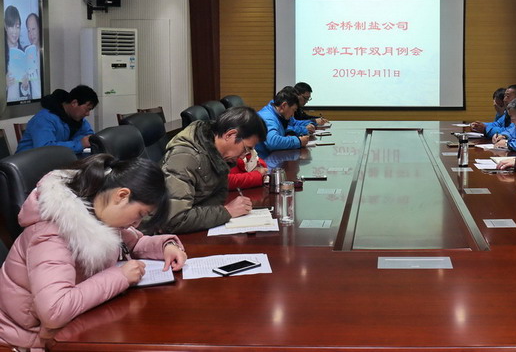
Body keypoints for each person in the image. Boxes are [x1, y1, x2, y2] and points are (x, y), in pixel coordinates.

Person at [0, 154, 187, 350]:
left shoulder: (98, 211)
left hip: (72, 324)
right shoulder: (53, 233)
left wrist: (166, 246)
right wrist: (120, 277)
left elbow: (133, 244)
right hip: (26, 339)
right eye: (139, 214)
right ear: (121, 196)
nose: (137, 224)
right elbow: (54, 310)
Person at [155, 106, 265, 234]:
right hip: (156, 236)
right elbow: (174, 220)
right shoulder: (185, 158)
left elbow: (216, 198)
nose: (244, 155)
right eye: (246, 148)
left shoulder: (219, 156)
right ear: (230, 135)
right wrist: (227, 211)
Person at [16, 85, 98, 155]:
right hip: (28, 164)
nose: (87, 114)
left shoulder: (78, 119)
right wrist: (78, 144)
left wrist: (81, 142)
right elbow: (44, 149)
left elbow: (88, 136)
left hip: (55, 161)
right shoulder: (44, 118)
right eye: (87, 109)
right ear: (74, 103)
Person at [257, 87, 309, 157]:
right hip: (262, 159)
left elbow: (286, 129)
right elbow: (272, 142)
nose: (292, 114)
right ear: (284, 106)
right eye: (293, 110)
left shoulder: (278, 114)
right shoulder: (268, 117)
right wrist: (298, 141)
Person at [5, 5, 24, 102]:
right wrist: (3, 84)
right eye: (11, 26)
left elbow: (25, 92)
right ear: (5, 27)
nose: (15, 31)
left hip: (21, 105)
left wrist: (25, 87)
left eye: (17, 27)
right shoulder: (2, 54)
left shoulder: (24, 53)